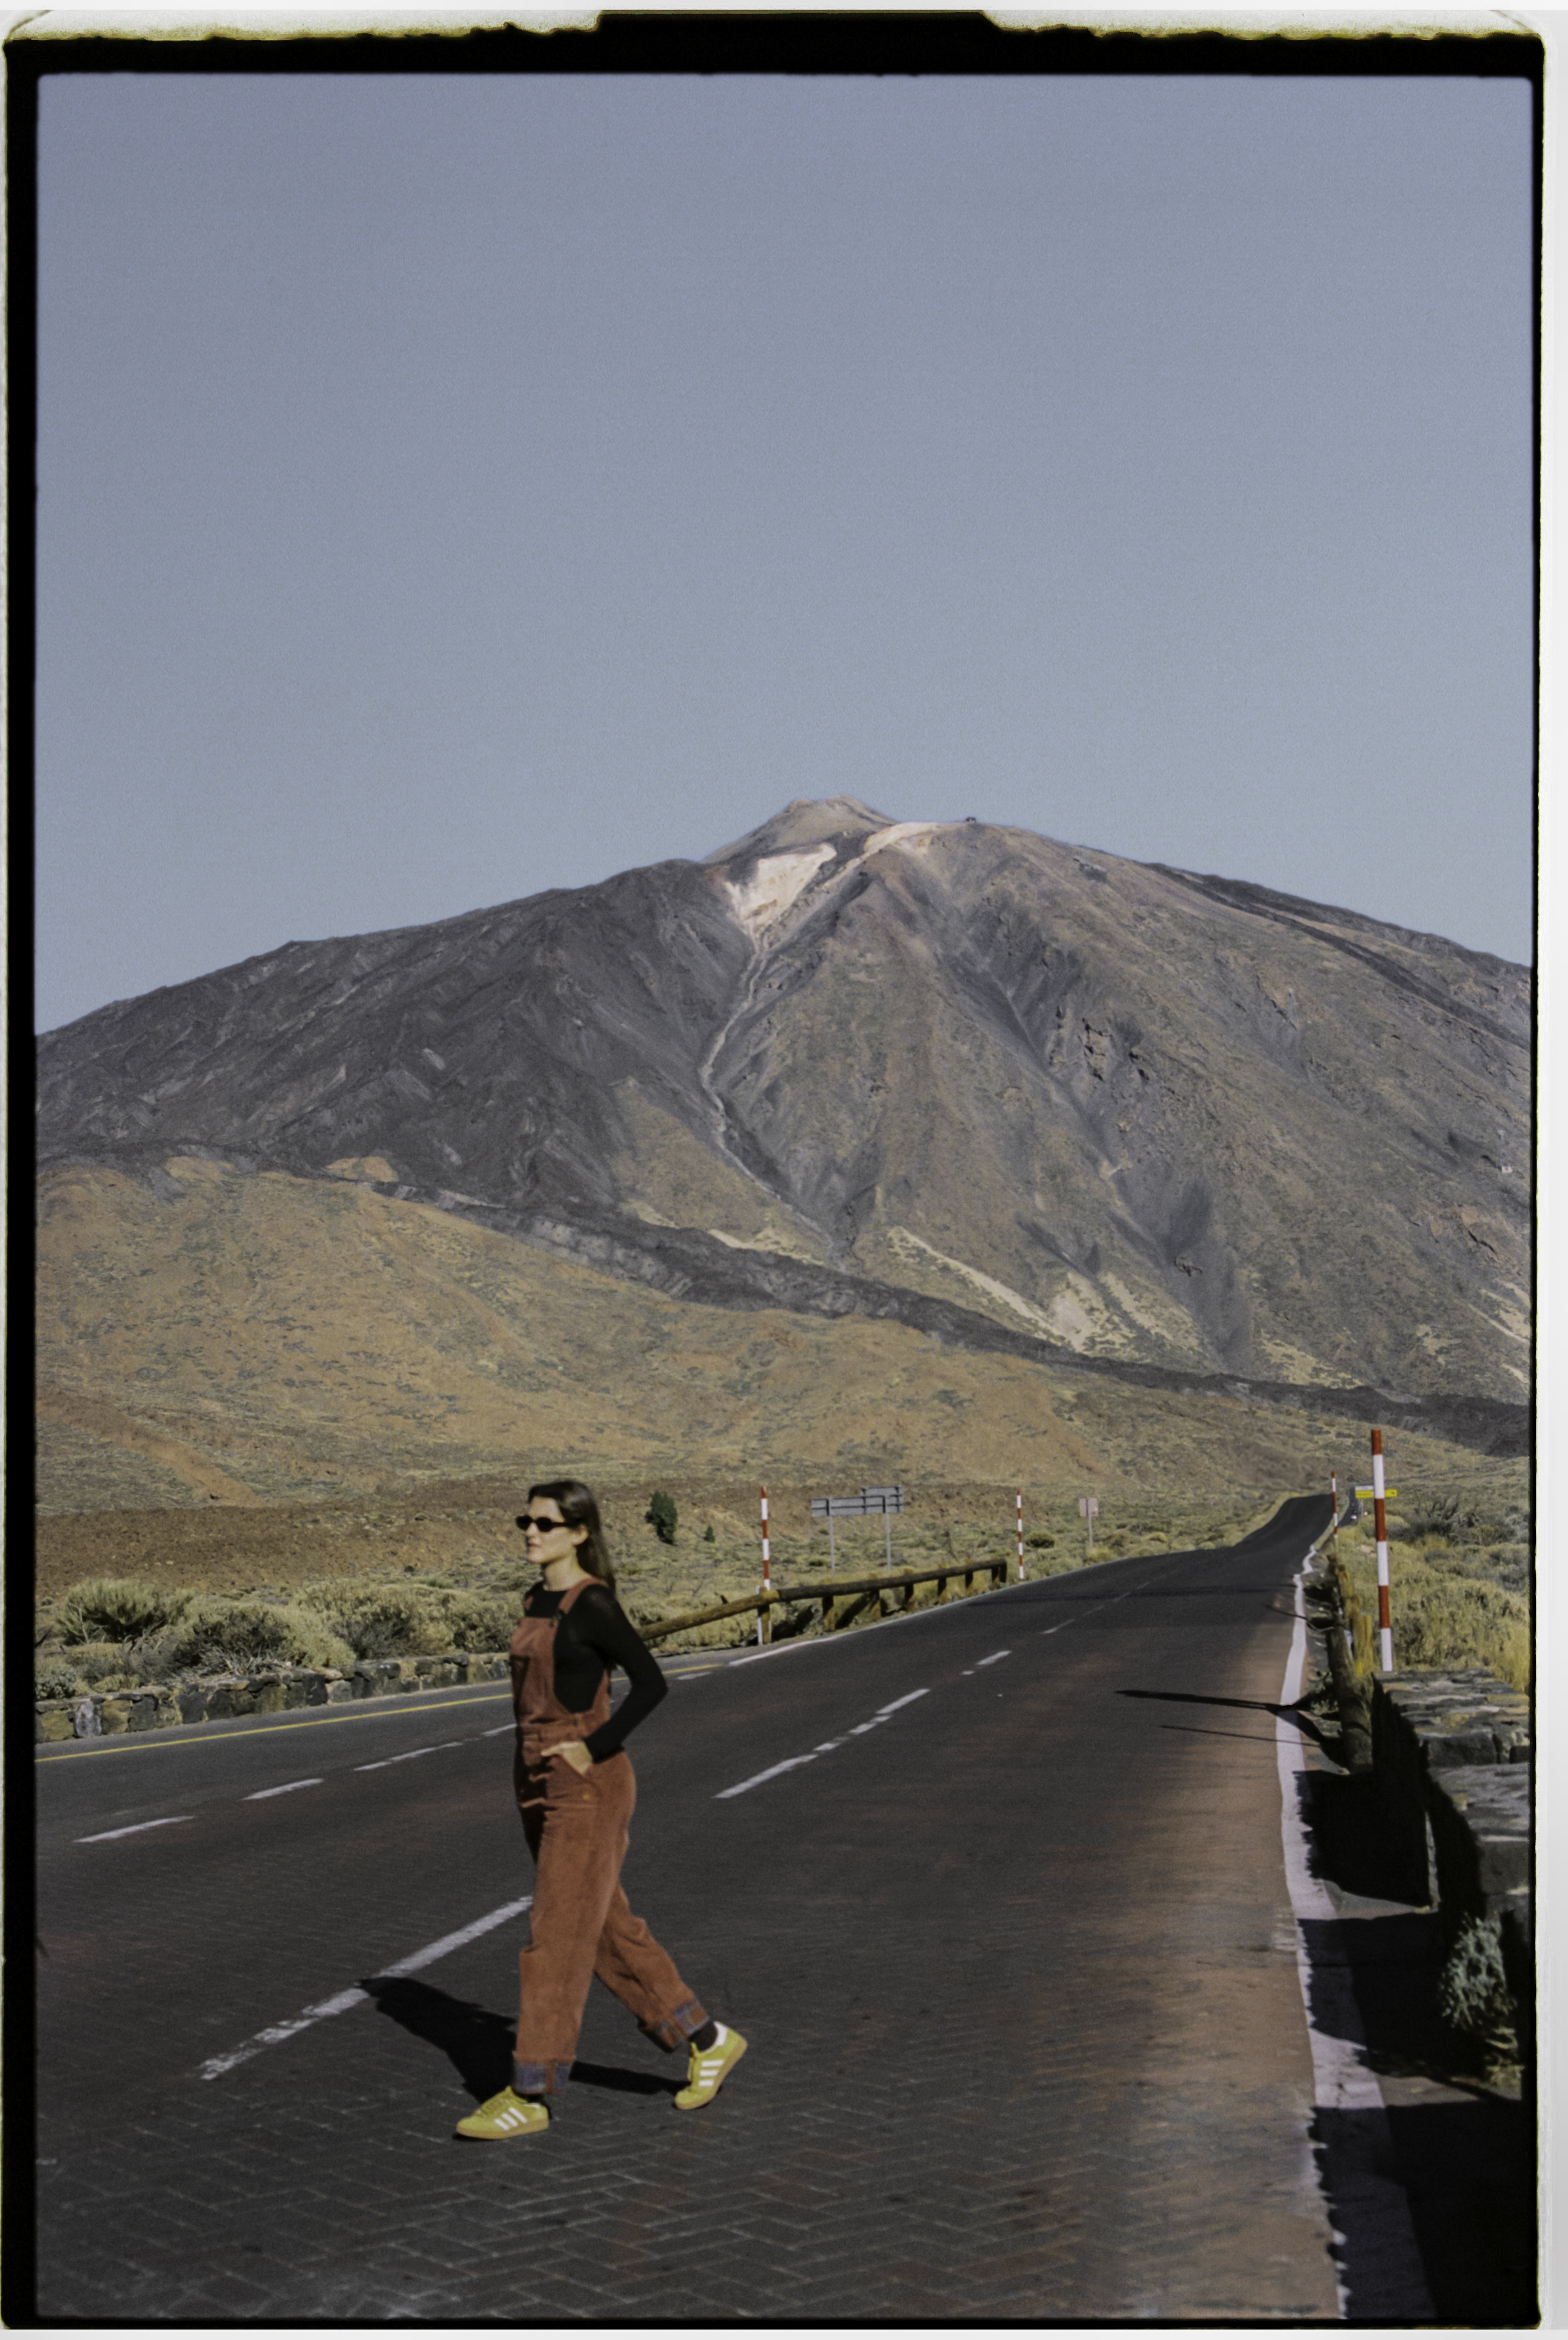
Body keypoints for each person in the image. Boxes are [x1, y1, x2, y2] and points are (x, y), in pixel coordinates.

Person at [456, 1478, 746, 2140]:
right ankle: (706, 2039)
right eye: (525, 1521)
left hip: (586, 1787)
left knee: (555, 1935)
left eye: (546, 1523)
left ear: (580, 1533)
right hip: (534, 1777)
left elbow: (651, 1684)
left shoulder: (593, 1605)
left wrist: (594, 1746)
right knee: (607, 1930)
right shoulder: (536, 1598)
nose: (531, 1532)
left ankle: (530, 2090)